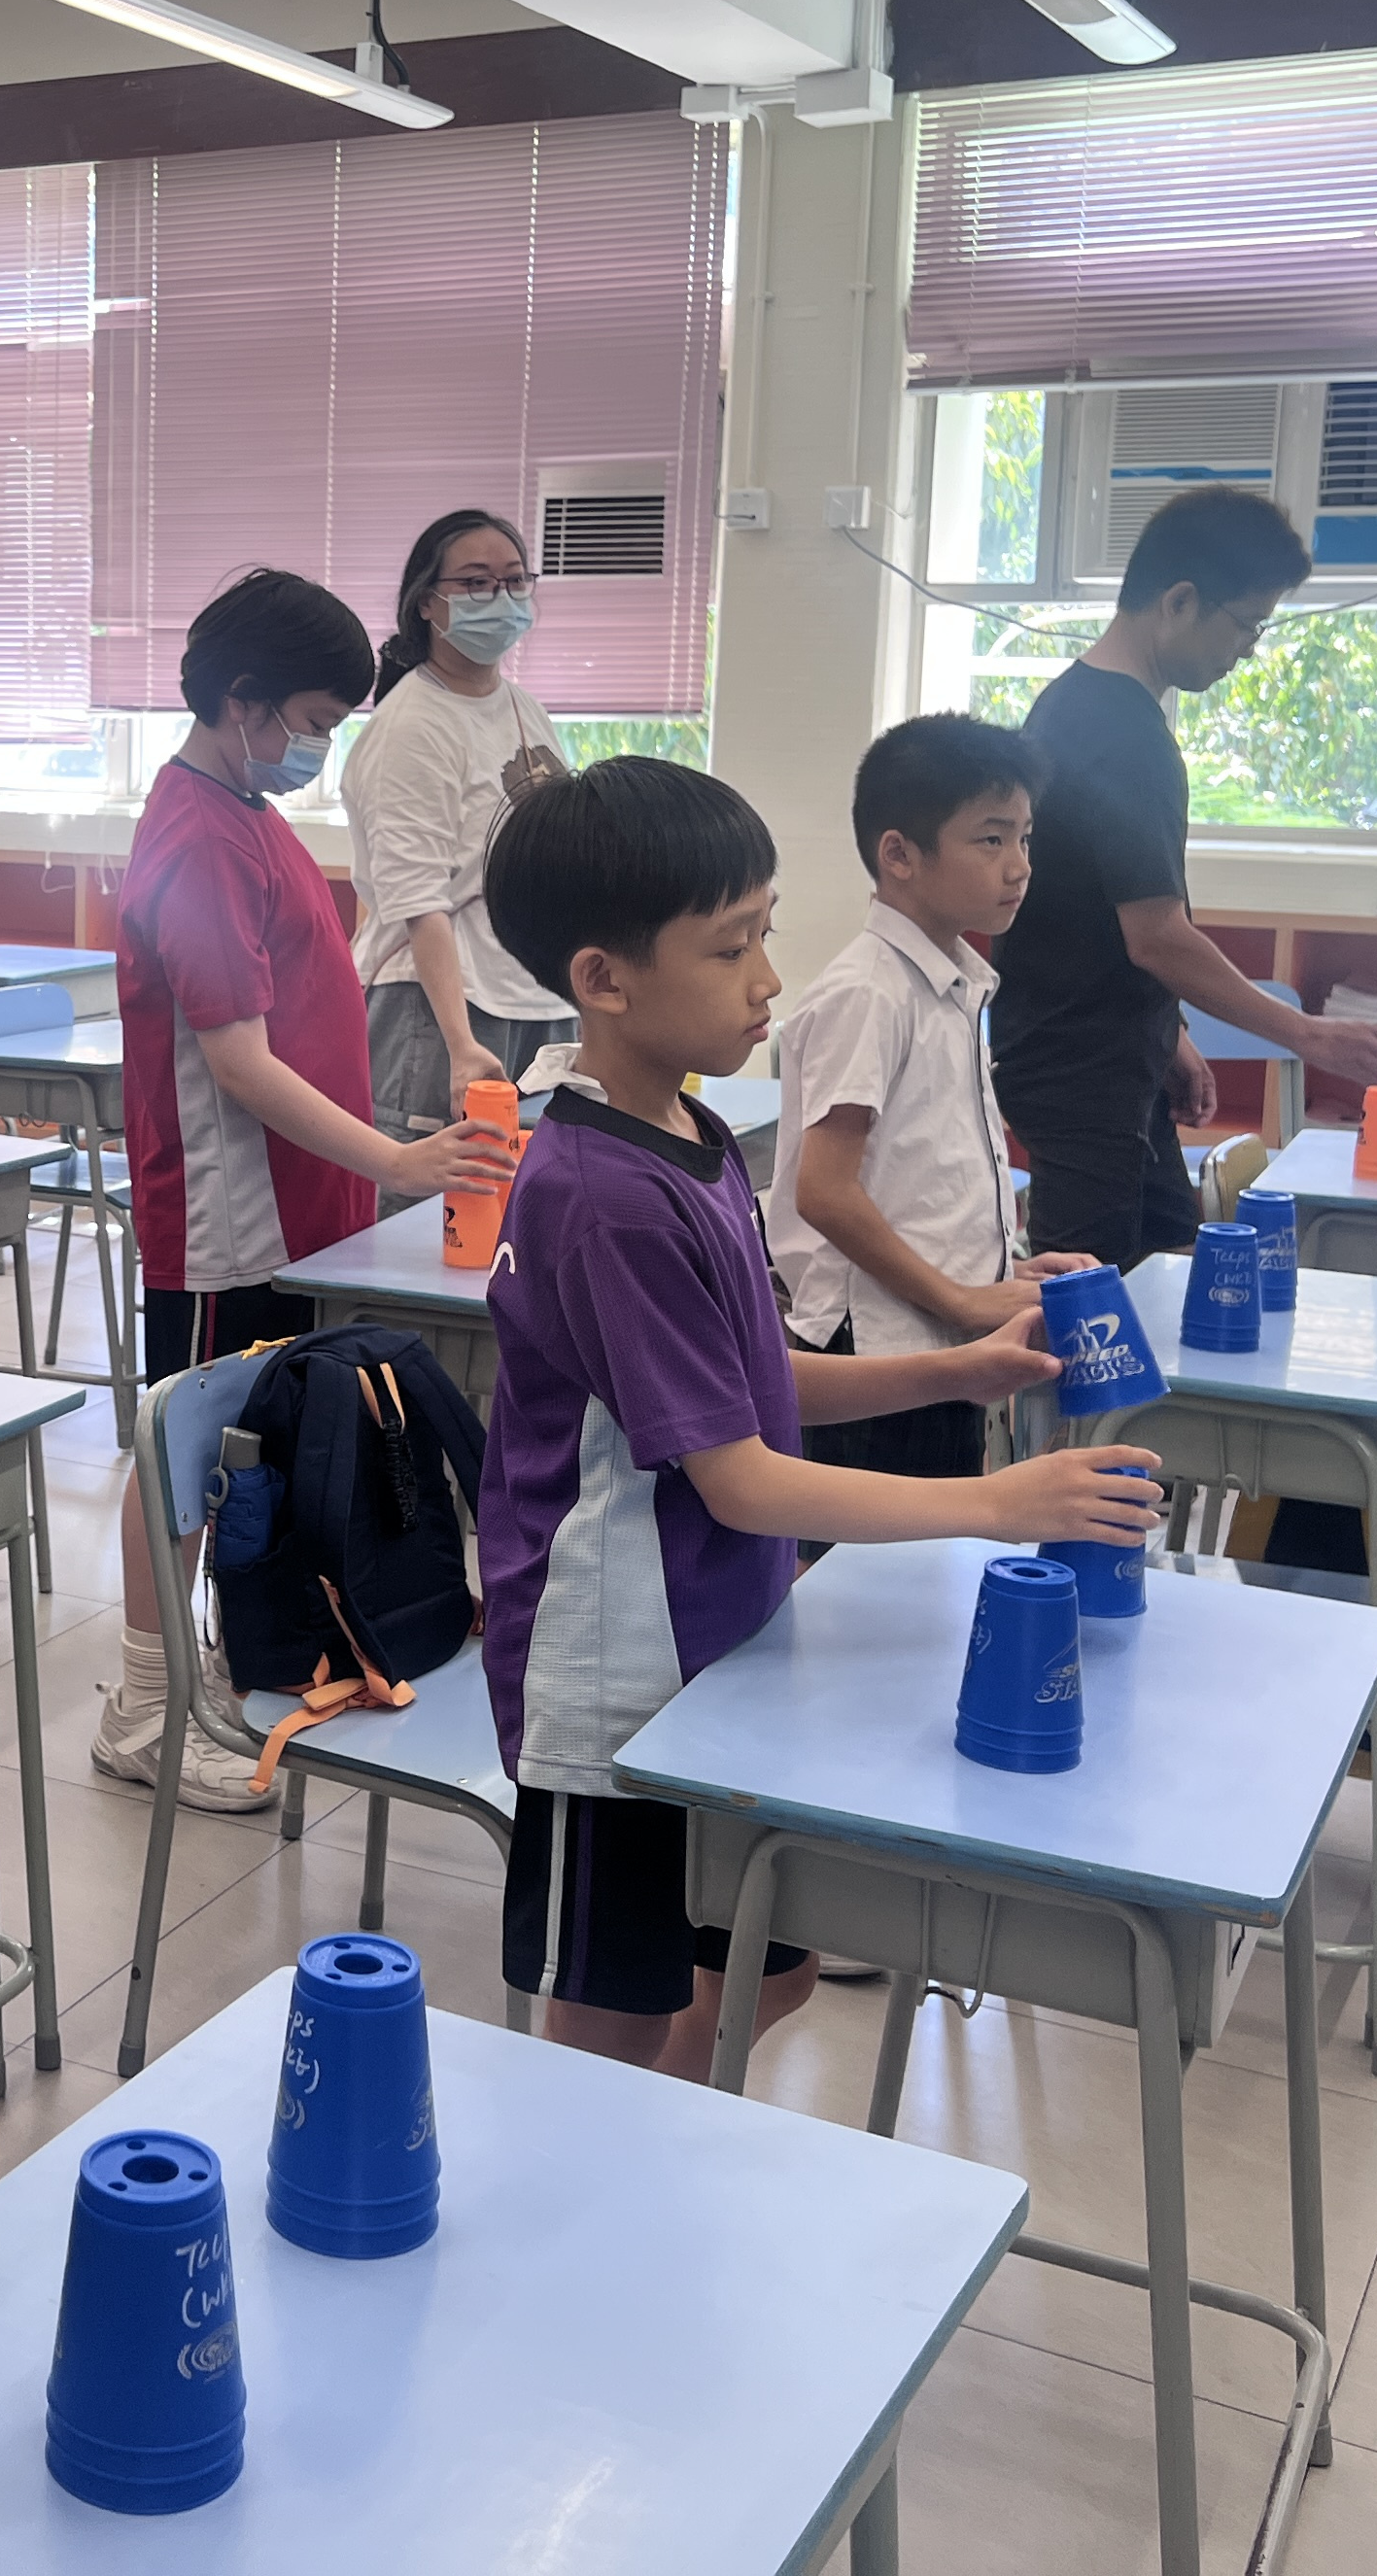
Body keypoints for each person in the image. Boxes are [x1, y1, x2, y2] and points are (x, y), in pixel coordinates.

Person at [473, 756, 1162, 2079]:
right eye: (731, 948)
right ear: (604, 979)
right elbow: (738, 1476)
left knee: (767, 1963)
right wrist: (995, 1503)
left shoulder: (690, 1134)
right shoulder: (602, 1194)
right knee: (612, 2020)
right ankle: (603, 2162)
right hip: (617, 1673)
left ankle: (663, 2137)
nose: (767, 980)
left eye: (766, 934)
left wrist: (948, 1374)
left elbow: (748, 1374)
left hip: (720, 1629)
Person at [92, 569, 513, 1810]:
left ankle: (216, 1663)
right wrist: (395, 1161)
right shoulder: (194, 835)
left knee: (244, 1448)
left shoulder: (247, 814)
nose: (319, 747)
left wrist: (378, 1153)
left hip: (295, 1207)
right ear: (244, 701)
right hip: (229, 1215)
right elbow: (235, 1061)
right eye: (315, 721)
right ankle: (143, 1703)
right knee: (183, 1451)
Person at [989, 492, 1377, 1265]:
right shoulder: (1124, 735)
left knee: (1165, 1276)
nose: (1248, 650)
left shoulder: (1077, 705)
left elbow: (1096, 909)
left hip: (1105, 1061)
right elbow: (1156, 935)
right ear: (1180, 602)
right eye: (1247, 624)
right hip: (1082, 1075)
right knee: (1088, 1308)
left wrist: (1171, 1032)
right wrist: (1307, 1034)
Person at [768, 713, 1102, 1484]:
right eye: (991, 839)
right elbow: (825, 1192)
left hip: (935, 1336)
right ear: (900, 855)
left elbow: (924, 1175)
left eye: (1025, 838)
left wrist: (1005, 1270)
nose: (1018, 866)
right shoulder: (869, 993)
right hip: (875, 1349)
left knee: (936, 1541)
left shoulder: (951, 984)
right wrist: (960, 1299)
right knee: (870, 1554)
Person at [340, 508, 571, 1205]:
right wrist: (461, 1041)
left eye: (514, 580)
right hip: (443, 1006)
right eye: (475, 583)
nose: (499, 598)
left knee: (523, 1212)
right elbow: (419, 900)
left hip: (533, 995)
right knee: (426, 1221)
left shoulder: (523, 708)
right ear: (426, 602)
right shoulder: (413, 725)